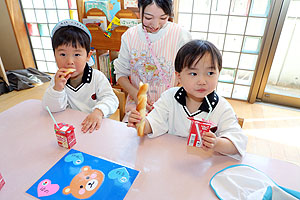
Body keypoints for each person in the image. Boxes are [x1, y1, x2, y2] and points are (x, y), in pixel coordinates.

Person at [128, 40, 248, 160]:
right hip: (171, 162)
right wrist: (141, 123)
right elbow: (153, 123)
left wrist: (216, 143)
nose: (202, 81)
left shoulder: (222, 107)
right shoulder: (170, 97)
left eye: (210, 73)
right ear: (179, 76)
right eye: (193, 74)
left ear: (218, 74)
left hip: (203, 168)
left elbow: (237, 143)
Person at [114, 0, 192, 121]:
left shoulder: (181, 35)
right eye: (148, 17)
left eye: (163, 18)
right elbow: (121, 75)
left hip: (171, 108)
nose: (155, 25)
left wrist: (174, 95)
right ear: (139, 10)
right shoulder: (129, 36)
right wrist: (136, 94)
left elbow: (190, 74)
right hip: (137, 108)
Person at [42, 19, 119, 133]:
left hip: (94, 128)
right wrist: (57, 89)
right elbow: (51, 109)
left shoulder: (97, 77)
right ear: (54, 55)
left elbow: (111, 99)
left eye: (77, 54)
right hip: (70, 128)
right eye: (62, 54)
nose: (70, 61)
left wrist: (98, 111)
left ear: (88, 56)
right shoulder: (57, 80)